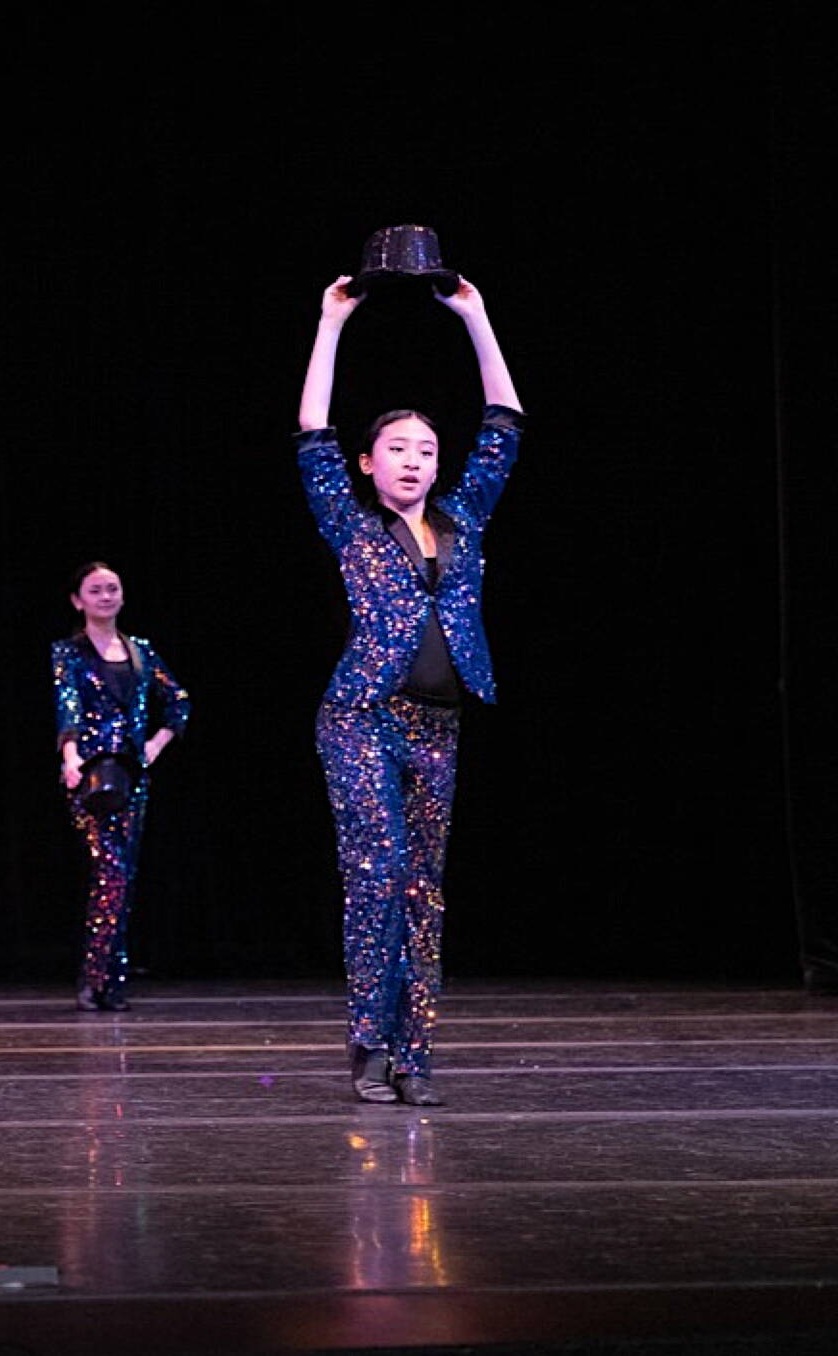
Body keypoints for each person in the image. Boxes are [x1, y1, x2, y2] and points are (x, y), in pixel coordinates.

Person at [296, 273, 524, 1106]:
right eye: (397, 448)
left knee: (425, 887)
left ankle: (414, 1052)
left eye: (426, 450)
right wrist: (330, 326)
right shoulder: (351, 524)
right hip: (360, 717)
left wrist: (476, 314)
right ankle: (367, 1041)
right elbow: (311, 434)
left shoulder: (465, 521)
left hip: (439, 724)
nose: (415, 461)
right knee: (380, 869)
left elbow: (504, 427)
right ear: (369, 462)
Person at [52, 562, 191, 1012]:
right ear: (79, 600)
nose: (106, 596)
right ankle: (97, 978)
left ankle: (110, 979)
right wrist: (70, 756)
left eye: (113, 588)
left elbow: (179, 701)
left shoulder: (140, 651)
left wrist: (157, 742)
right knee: (108, 872)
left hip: (131, 776)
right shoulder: (68, 653)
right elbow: (67, 705)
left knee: (122, 876)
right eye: (96, 590)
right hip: (89, 775)